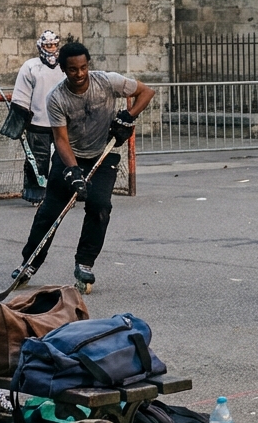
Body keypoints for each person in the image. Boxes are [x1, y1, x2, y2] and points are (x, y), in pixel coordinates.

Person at [15, 41, 154, 292]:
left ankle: (85, 264)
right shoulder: (57, 98)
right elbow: (60, 139)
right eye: (72, 69)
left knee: (100, 207)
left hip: (103, 155)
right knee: (50, 211)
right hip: (71, 156)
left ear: (88, 65)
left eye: (83, 67)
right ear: (63, 69)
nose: (79, 74)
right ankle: (29, 263)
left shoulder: (107, 81)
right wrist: (72, 170)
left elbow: (146, 92)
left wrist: (128, 116)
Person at [7, 30, 64, 203]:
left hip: (61, 124)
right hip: (38, 123)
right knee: (37, 162)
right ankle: (36, 194)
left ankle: (63, 193)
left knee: (63, 160)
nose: (51, 49)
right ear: (41, 46)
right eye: (48, 45)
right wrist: (20, 119)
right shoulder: (30, 66)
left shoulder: (65, 66)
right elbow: (21, 95)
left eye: (54, 45)